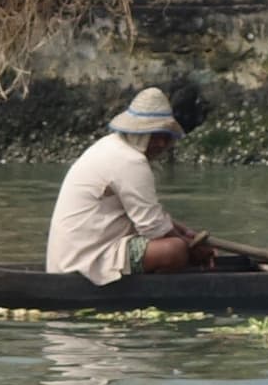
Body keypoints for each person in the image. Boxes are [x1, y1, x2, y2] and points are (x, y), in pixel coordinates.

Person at [46, 87, 216, 282]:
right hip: (87, 260)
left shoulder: (111, 145)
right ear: (139, 133)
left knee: (177, 242)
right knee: (174, 250)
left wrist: (184, 232)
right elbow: (153, 228)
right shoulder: (130, 160)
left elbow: (150, 215)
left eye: (165, 136)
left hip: (75, 255)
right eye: (154, 136)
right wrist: (188, 247)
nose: (161, 144)